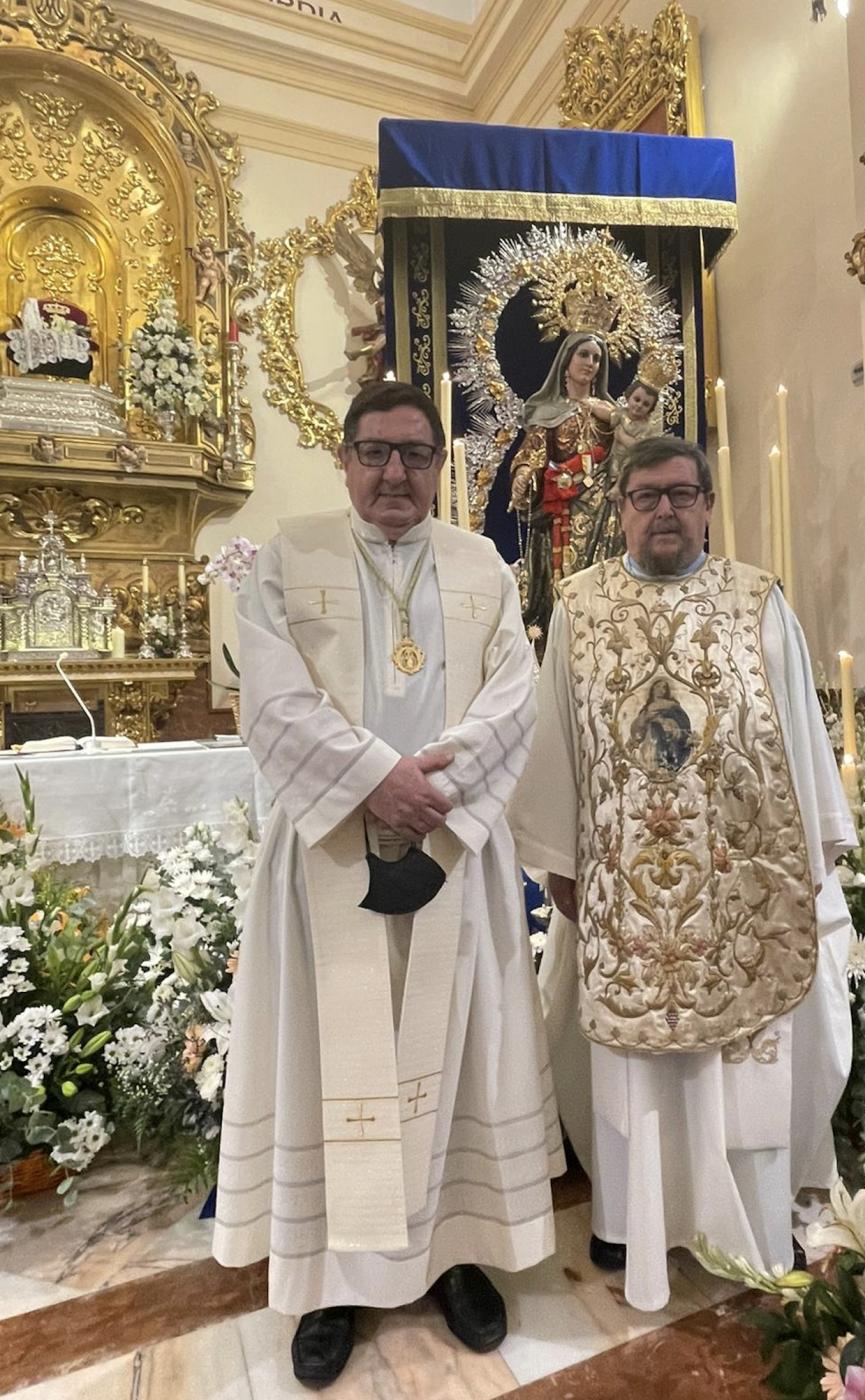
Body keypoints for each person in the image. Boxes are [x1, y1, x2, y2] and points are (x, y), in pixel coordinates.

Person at [214, 380, 564, 1388]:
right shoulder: (290, 554)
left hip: (454, 845)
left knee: (456, 1049)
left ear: (441, 462)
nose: (394, 472)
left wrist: (429, 792)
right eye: (375, 452)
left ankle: (454, 1252)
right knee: (331, 1060)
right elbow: (271, 699)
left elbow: (515, 697)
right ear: (344, 455)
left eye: (415, 453)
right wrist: (378, 778)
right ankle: (329, 1277)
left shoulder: (482, 566)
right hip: (329, 848)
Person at [510, 434, 856, 1313]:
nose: (662, 510)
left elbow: (799, 737)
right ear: (618, 508)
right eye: (643, 496)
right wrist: (556, 857)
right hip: (626, 887)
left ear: (706, 504)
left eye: (680, 494)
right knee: (636, 1062)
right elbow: (554, 736)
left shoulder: (757, 603)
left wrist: (814, 847)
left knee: (745, 1059)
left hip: (743, 882)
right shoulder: (580, 609)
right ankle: (634, 1219)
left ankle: (751, 1213)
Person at [508, 330, 616, 640]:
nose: (591, 363)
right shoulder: (549, 413)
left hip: (607, 513)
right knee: (568, 581)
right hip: (565, 510)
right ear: (565, 361)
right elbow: (535, 449)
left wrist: (616, 420)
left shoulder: (608, 414)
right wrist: (524, 473)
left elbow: (632, 446)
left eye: (597, 358)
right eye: (584, 354)